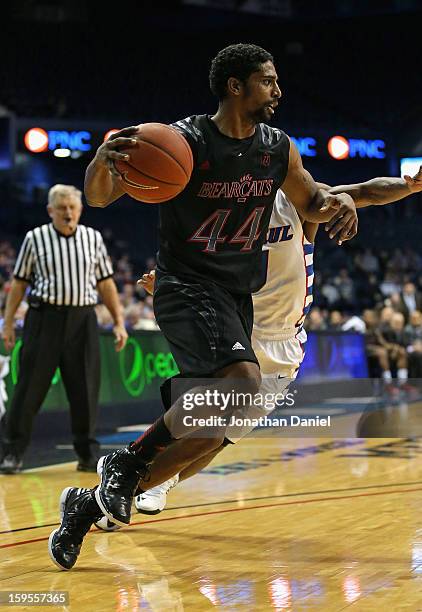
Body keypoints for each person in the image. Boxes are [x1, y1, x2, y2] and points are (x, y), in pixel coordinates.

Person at [48, 42, 361, 569]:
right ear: (235, 86)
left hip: (236, 295)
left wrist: (342, 202)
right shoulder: (182, 141)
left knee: (212, 432)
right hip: (186, 283)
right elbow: (100, 198)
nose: (278, 91)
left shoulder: (278, 148)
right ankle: (126, 464)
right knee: (242, 383)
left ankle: (85, 506)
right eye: (268, 81)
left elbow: (313, 202)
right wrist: (102, 164)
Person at [130, 167, 422, 515]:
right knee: (203, 428)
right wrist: (166, 282)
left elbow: (366, 191)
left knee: (220, 441)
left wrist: (409, 186)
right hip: (237, 335)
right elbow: (198, 269)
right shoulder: (224, 217)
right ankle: (135, 482)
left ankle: (148, 481)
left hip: (285, 345)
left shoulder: (300, 203)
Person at [0, 184, 128, 474]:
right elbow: (19, 283)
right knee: (28, 389)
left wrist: (119, 321)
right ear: (50, 211)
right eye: (62, 208)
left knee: (85, 389)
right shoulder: (35, 238)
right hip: (44, 319)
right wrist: (8, 323)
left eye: (72, 208)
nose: (68, 213)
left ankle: (87, 455)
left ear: (80, 209)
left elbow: (106, 283)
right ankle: (12, 453)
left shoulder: (92, 238)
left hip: (83, 320)